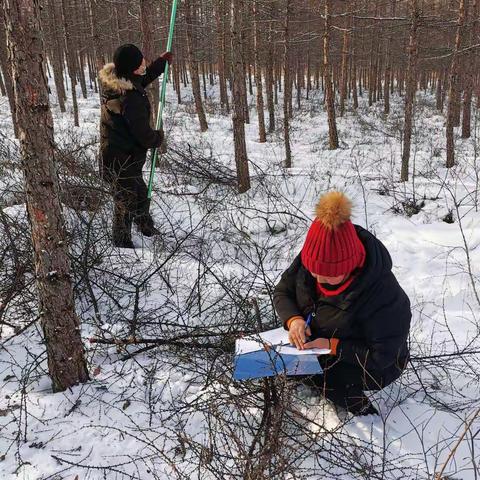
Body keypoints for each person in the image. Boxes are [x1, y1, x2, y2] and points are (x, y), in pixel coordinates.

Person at [273, 191, 411, 415]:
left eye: (328, 276)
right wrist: (295, 320)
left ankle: (366, 416)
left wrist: (332, 345)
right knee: (283, 364)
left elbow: (382, 357)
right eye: (315, 272)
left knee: (324, 375)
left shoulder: (383, 294)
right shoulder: (313, 258)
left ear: (350, 265)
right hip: (317, 343)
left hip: (372, 364)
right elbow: (283, 291)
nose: (319, 280)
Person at [98, 44, 173, 248]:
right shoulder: (130, 99)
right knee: (125, 200)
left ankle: (145, 226)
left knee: (139, 192)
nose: (144, 63)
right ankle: (122, 244)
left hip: (121, 156)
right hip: (121, 159)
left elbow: (141, 80)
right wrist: (157, 138)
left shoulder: (118, 83)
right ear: (133, 68)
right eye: (141, 62)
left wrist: (160, 64)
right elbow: (143, 134)